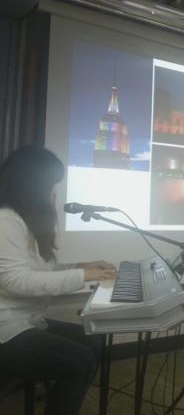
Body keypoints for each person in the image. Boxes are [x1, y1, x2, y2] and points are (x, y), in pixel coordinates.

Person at [0, 145, 117, 415]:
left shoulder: (25, 220)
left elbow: (40, 270)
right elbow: (15, 281)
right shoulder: (6, 220)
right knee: (80, 360)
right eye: (52, 184)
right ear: (33, 184)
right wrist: (83, 276)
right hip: (6, 328)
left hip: (28, 320)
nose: (55, 192)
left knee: (93, 340)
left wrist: (80, 266)